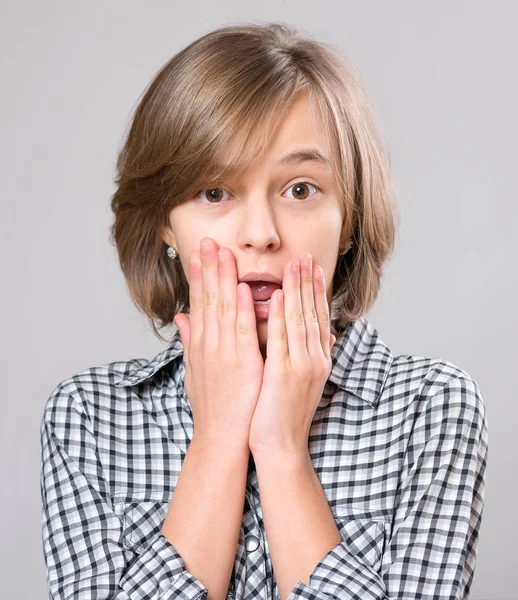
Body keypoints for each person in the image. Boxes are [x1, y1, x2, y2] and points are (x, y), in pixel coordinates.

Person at [39, 22, 488, 600]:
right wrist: (220, 436)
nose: (260, 235)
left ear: (349, 220)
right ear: (163, 224)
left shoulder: (431, 408)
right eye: (214, 192)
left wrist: (281, 451)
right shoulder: (89, 418)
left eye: (300, 190)